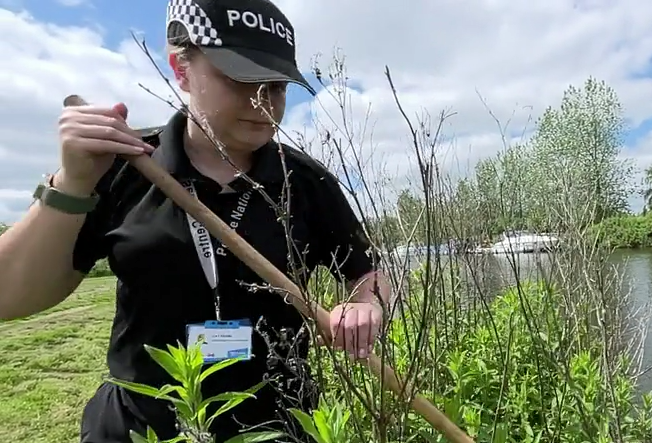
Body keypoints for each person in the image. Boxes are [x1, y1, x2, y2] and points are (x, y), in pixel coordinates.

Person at [0, 0, 390, 441]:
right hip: (141, 429)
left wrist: (365, 305)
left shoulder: (307, 182)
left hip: (275, 426)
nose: (263, 101)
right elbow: (10, 298)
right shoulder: (121, 168)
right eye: (240, 78)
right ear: (181, 69)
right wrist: (71, 183)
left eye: (277, 86)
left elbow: (366, 271)